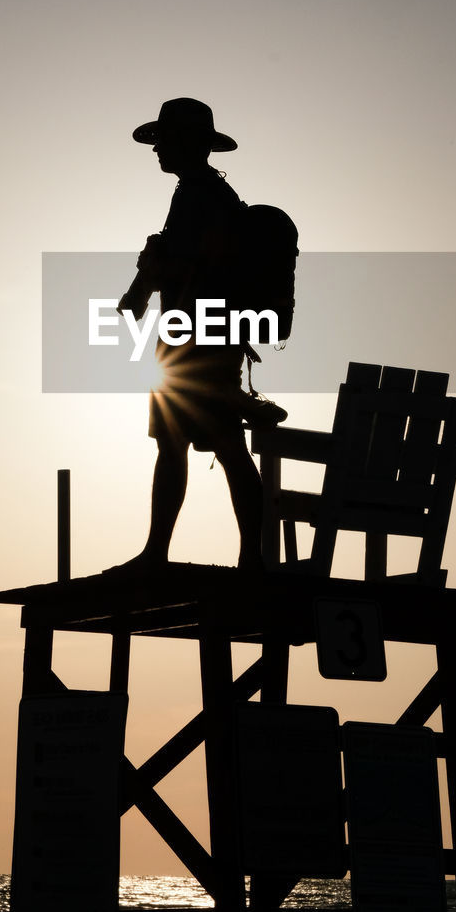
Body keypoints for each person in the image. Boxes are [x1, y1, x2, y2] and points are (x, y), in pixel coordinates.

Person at [118, 97, 266, 572]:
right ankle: (249, 559)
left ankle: (160, 554)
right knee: (222, 447)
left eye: (165, 141)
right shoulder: (209, 194)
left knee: (186, 445)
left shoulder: (198, 196)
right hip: (207, 337)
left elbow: (192, 265)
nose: (158, 150)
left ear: (187, 144)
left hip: (195, 340)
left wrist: (152, 268)